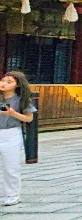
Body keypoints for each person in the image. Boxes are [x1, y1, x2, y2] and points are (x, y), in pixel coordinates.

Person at [0, 71, 36, 206]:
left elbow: (29, 118)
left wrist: (12, 113)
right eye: (3, 80)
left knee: (11, 166)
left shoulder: (21, 100)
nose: (4, 84)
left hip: (11, 133)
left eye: (9, 82)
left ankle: (13, 194)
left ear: (17, 85)